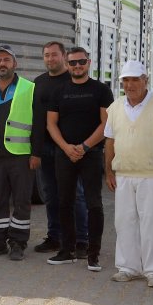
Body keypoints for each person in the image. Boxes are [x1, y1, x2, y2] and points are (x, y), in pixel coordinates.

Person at [104, 61, 153, 288]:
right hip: (124, 173)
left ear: (145, 80)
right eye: (126, 80)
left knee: (152, 223)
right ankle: (128, 267)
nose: (130, 85)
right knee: (124, 221)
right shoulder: (115, 107)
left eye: (135, 79)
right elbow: (110, 141)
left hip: (152, 174)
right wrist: (108, 170)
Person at [45, 46, 113, 270]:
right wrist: (66, 147)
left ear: (89, 62)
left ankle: (93, 254)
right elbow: (51, 124)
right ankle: (67, 250)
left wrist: (84, 146)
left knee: (94, 203)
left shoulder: (101, 90)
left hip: (91, 154)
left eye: (81, 62)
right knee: (64, 202)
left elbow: (106, 124)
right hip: (64, 154)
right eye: (72, 63)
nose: (77, 66)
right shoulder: (59, 91)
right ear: (67, 63)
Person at [0, 45, 40, 261]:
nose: (1, 64)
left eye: (6, 60)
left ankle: (18, 242)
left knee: (22, 201)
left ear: (15, 63)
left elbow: (38, 123)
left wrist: (36, 153)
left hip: (22, 155)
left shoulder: (28, 88)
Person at [32, 41, 89, 256]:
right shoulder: (38, 83)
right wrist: (35, 151)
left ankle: (82, 240)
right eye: (46, 55)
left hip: (69, 149)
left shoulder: (74, 80)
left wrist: (79, 147)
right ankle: (54, 237)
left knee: (76, 195)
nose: (50, 59)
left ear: (64, 57)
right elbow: (37, 120)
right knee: (51, 194)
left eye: (54, 55)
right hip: (46, 149)